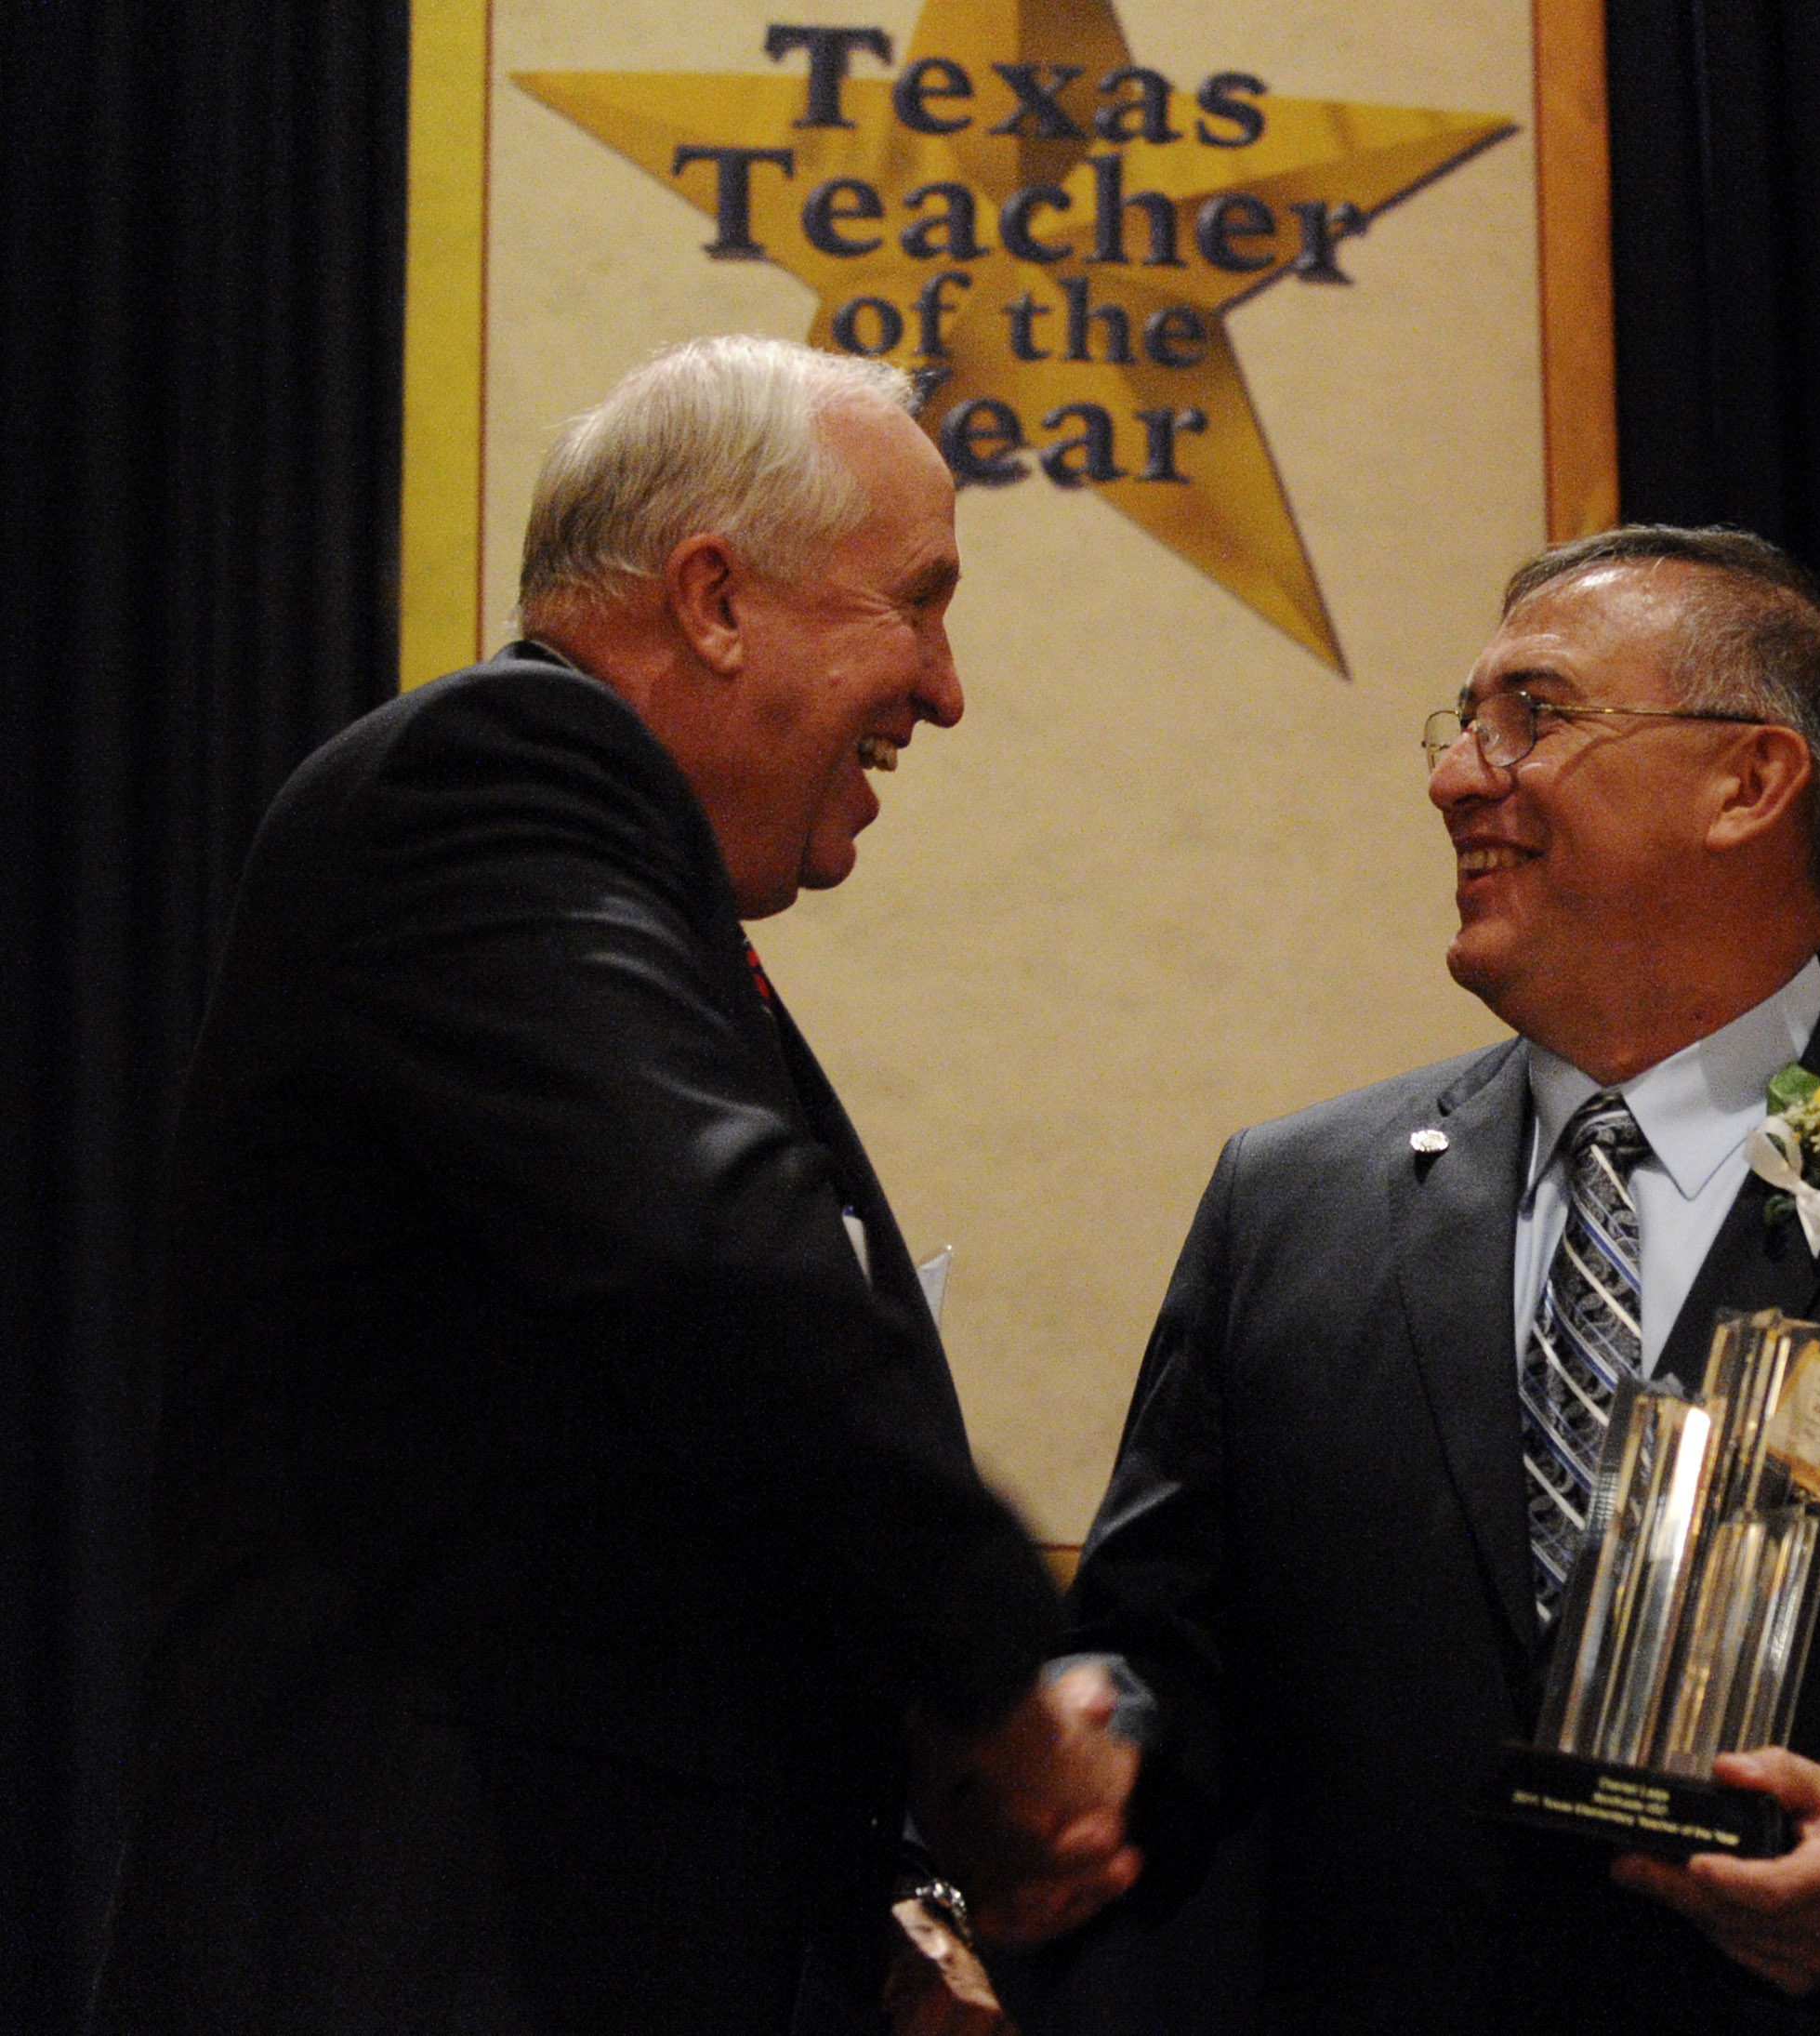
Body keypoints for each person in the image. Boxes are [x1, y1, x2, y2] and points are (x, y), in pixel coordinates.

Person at [1056, 526, 1820, 2033]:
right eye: (1463, 725)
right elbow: (1159, 1666)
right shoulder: (1291, 1203)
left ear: (1751, 781)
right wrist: (1057, 1775)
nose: (1459, 774)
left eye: (1534, 714)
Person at [90, 336, 1138, 2036]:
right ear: (715, 597)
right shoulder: (499, 769)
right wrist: (996, 1675)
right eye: (917, 603)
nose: (945, 688)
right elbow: (717, 1268)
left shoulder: (641, 904)